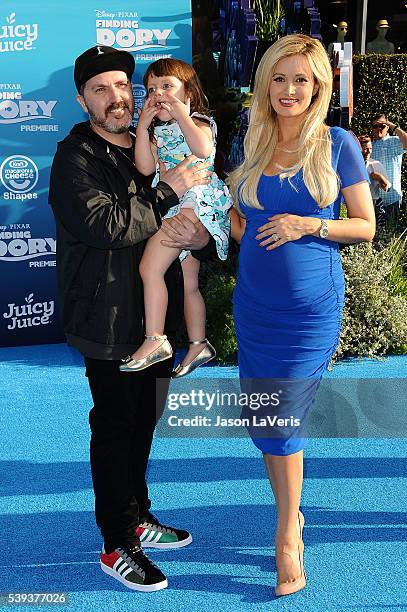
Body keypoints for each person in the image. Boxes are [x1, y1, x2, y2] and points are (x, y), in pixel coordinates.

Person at [48, 45, 214, 592]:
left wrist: (201, 236)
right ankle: (117, 541)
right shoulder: (74, 156)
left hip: (152, 320)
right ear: (82, 99)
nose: (116, 97)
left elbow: (194, 214)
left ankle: (139, 515)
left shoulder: (156, 138)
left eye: (122, 85)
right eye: (100, 89)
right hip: (106, 317)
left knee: (144, 420)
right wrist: (170, 190)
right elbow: (108, 226)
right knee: (116, 426)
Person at [228, 34, 375, 597]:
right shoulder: (254, 142)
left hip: (309, 312)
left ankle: (287, 535)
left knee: (282, 420)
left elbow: (364, 225)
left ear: (319, 87)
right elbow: (243, 225)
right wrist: (224, 226)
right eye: (280, 77)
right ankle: (290, 513)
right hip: (254, 306)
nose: (290, 90)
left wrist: (307, 224)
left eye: (302, 80)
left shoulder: (337, 144)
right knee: (266, 421)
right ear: (266, 82)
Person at [120, 58, 232, 377]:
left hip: (195, 204)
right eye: (152, 89)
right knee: (188, 284)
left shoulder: (197, 122)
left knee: (149, 267)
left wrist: (181, 111)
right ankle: (199, 344)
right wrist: (142, 128)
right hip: (173, 204)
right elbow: (144, 167)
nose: (159, 95)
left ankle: (155, 340)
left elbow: (201, 149)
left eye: (168, 87)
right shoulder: (157, 131)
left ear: (190, 95)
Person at [371, 113, 407, 227]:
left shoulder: (395, 141)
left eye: (381, 126)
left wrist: (392, 125)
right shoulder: (369, 146)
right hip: (375, 199)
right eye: (375, 126)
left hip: (392, 199)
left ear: (387, 127)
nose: (378, 129)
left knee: (390, 233)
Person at [358, 134, 391, 226]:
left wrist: (380, 177)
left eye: (370, 149)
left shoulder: (376, 164)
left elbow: (387, 189)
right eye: (365, 149)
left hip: (373, 203)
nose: (368, 152)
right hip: (356, 203)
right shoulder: (351, 165)